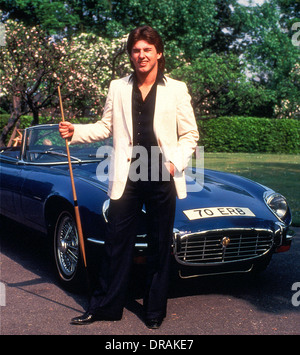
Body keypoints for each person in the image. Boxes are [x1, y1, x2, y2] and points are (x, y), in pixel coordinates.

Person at [59, 25, 199, 329]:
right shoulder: (117, 87)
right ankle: (106, 306)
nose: (142, 55)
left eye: (148, 49)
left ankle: (153, 310)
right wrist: (76, 131)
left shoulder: (176, 89)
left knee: (159, 244)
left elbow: (190, 135)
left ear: (159, 53)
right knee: (116, 243)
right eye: (136, 50)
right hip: (128, 173)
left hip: (162, 173)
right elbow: (105, 127)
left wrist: (173, 164)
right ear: (130, 55)